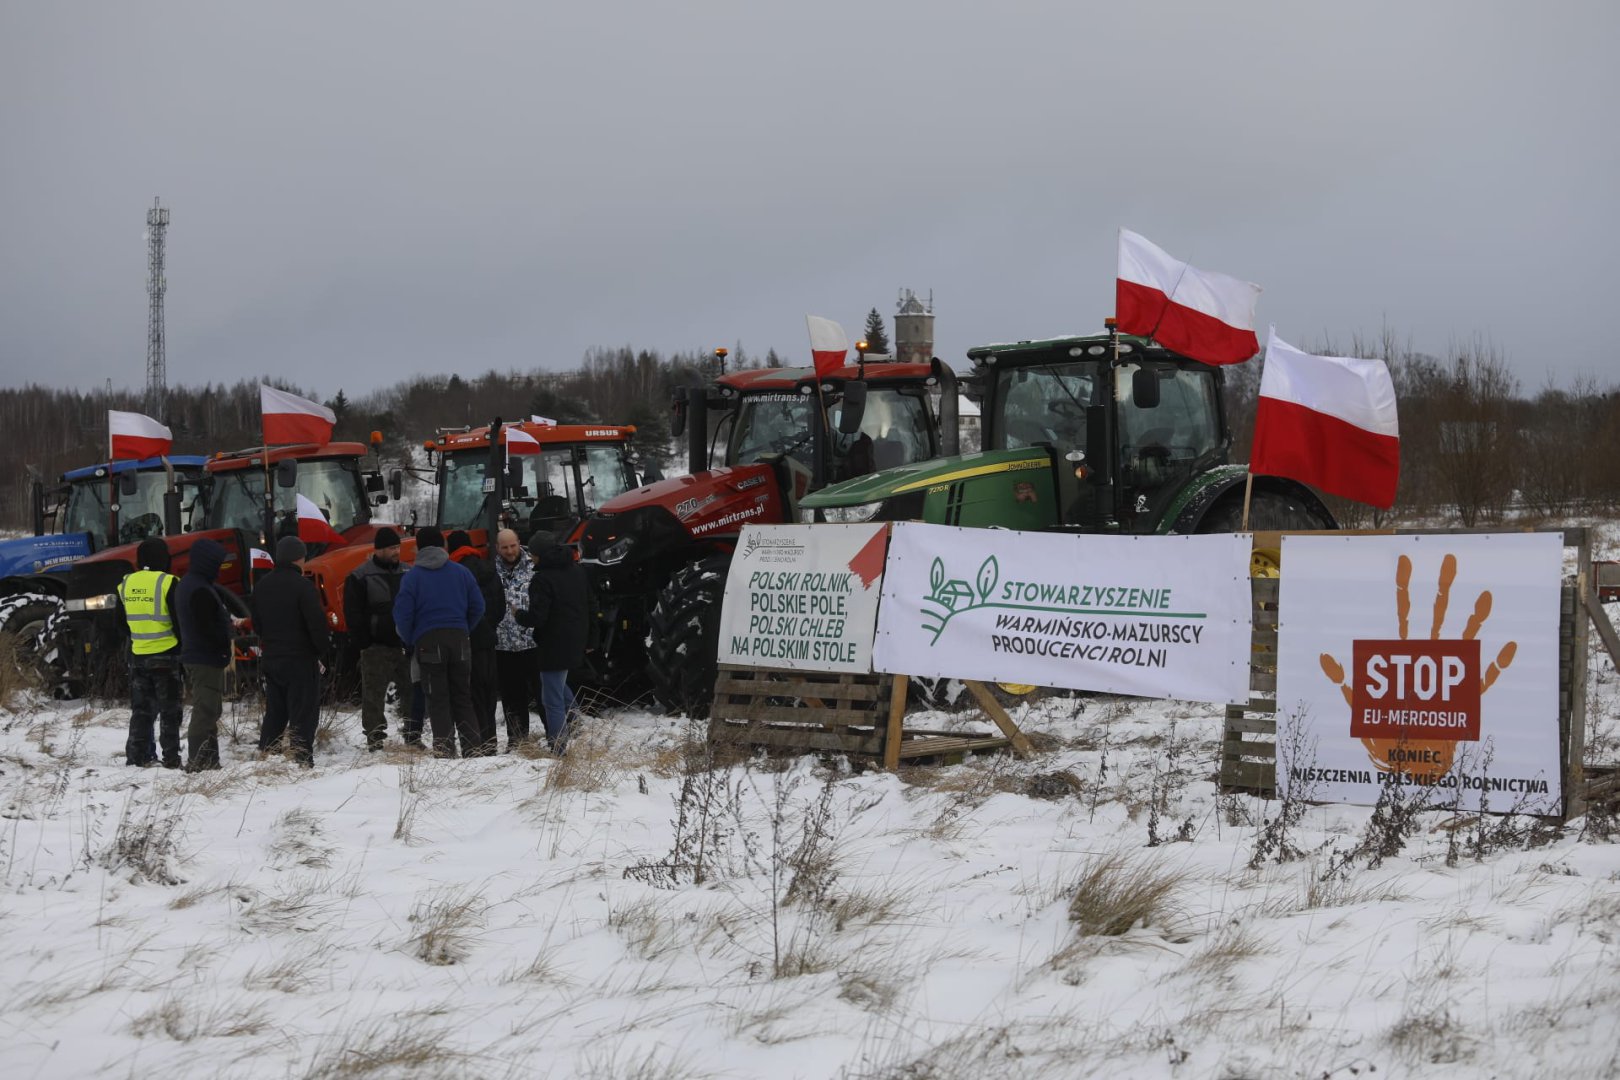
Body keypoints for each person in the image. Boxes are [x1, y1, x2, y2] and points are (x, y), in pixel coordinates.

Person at [394, 527, 484, 758]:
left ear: (419, 548)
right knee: (462, 696)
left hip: (428, 641)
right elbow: (478, 607)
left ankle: (445, 753)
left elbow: (402, 616)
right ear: (443, 546)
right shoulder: (461, 572)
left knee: (437, 699)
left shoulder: (412, 577)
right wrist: (463, 628)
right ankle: (473, 751)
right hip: (459, 639)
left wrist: (411, 638)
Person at [251, 535, 330, 767]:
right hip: (300, 659)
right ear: (300, 558)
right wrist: (321, 649)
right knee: (303, 712)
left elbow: (257, 624)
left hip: (272, 658)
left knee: (276, 710)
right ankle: (302, 758)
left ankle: (267, 755)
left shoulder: (262, 586)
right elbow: (316, 623)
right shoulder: (303, 586)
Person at [515, 531, 589, 753]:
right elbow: (591, 604)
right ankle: (576, 725)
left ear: (539, 555)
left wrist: (518, 614)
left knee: (551, 700)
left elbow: (538, 618)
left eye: (532, 554)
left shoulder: (542, 579)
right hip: (576, 639)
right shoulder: (577, 571)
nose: (531, 559)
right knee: (559, 685)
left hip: (553, 644)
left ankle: (558, 748)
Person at [344, 527, 411, 752]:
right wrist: (365, 641)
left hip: (404, 644)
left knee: (411, 691)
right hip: (376, 647)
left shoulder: (407, 572)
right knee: (373, 696)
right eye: (392, 548)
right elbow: (352, 613)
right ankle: (375, 739)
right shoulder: (360, 575)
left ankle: (413, 734)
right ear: (379, 550)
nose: (396, 552)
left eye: (397, 547)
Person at [119, 538, 183, 767]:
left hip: (138, 656)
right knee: (169, 711)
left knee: (141, 710)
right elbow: (179, 622)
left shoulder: (126, 583)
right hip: (166, 656)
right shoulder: (168, 582)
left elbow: (120, 622)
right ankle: (172, 758)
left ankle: (137, 756)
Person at [174, 537, 232, 771]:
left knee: (209, 708)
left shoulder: (189, 584)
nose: (220, 568)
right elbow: (207, 628)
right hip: (204, 658)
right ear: (207, 563)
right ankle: (198, 761)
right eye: (217, 563)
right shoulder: (199, 589)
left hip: (196, 655)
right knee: (205, 710)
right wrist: (222, 648)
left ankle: (210, 760)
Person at [447, 530, 503, 756]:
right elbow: (500, 606)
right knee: (489, 693)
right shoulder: (490, 568)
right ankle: (491, 743)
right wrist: (489, 626)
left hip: (468, 640)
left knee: (470, 695)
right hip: (489, 639)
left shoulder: (454, 573)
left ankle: (476, 745)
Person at [491, 527, 538, 750]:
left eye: (513, 545)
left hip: (533, 641)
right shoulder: (490, 570)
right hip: (503, 645)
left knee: (542, 694)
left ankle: (556, 738)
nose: (510, 551)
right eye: (505, 547)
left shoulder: (535, 566)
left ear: (519, 542)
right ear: (497, 548)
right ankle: (517, 741)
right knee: (512, 698)